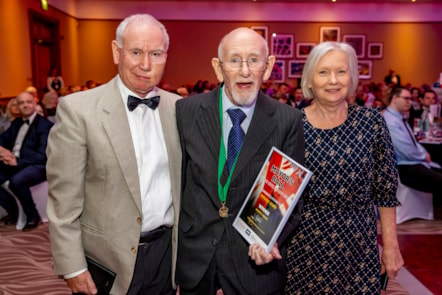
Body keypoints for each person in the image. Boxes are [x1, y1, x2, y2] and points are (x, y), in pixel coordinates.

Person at [46, 14, 181, 295]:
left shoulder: (180, 109)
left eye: (155, 54)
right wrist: (72, 266)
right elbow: (64, 200)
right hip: (105, 262)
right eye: (136, 52)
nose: (146, 65)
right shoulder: (78, 110)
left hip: (166, 256)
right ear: (116, 52)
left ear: (166, 56)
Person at [176, 27, 304, 295]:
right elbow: (180, 181)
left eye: (254, 60)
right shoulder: (186, 111)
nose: (245, 70)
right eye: (234, 60)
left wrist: (270, 239)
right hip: (198, 256)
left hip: (253, 260)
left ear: (267, 68)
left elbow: (289, 194)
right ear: (218, 68)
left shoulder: (287, 120)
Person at [285, 42, 403, 294]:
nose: (333, 80)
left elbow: (385, 190)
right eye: (323, 72)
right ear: (309, 79)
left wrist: (391, 247)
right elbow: (278, 190)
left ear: (351, 77)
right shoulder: (292, 124)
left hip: (359, 242)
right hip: (306, 243)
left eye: (341, 71)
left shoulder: (372, 121)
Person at [0, 91, 53, 230]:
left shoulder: (44, 125)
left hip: (37, 165)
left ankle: (32, 215)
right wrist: (3, 152)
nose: (25, 105)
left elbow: (43, 155)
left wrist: (18, 161)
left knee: (17, 181)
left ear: (35, 103)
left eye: (29, 102)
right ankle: (15, 212)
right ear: (17, 105)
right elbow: (2, 139)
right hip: (13, 162)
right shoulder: (16, 123)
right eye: (21, 103)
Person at [383, 86, 442, 200]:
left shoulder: (398, 117)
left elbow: (412, 142)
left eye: (410, 99)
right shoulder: (389, 120)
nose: (410, 102)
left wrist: (424, 153)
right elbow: (405, 150)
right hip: (404, 168)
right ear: (395, 98)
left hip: (412, 163)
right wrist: (424, 156)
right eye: (406, 99)